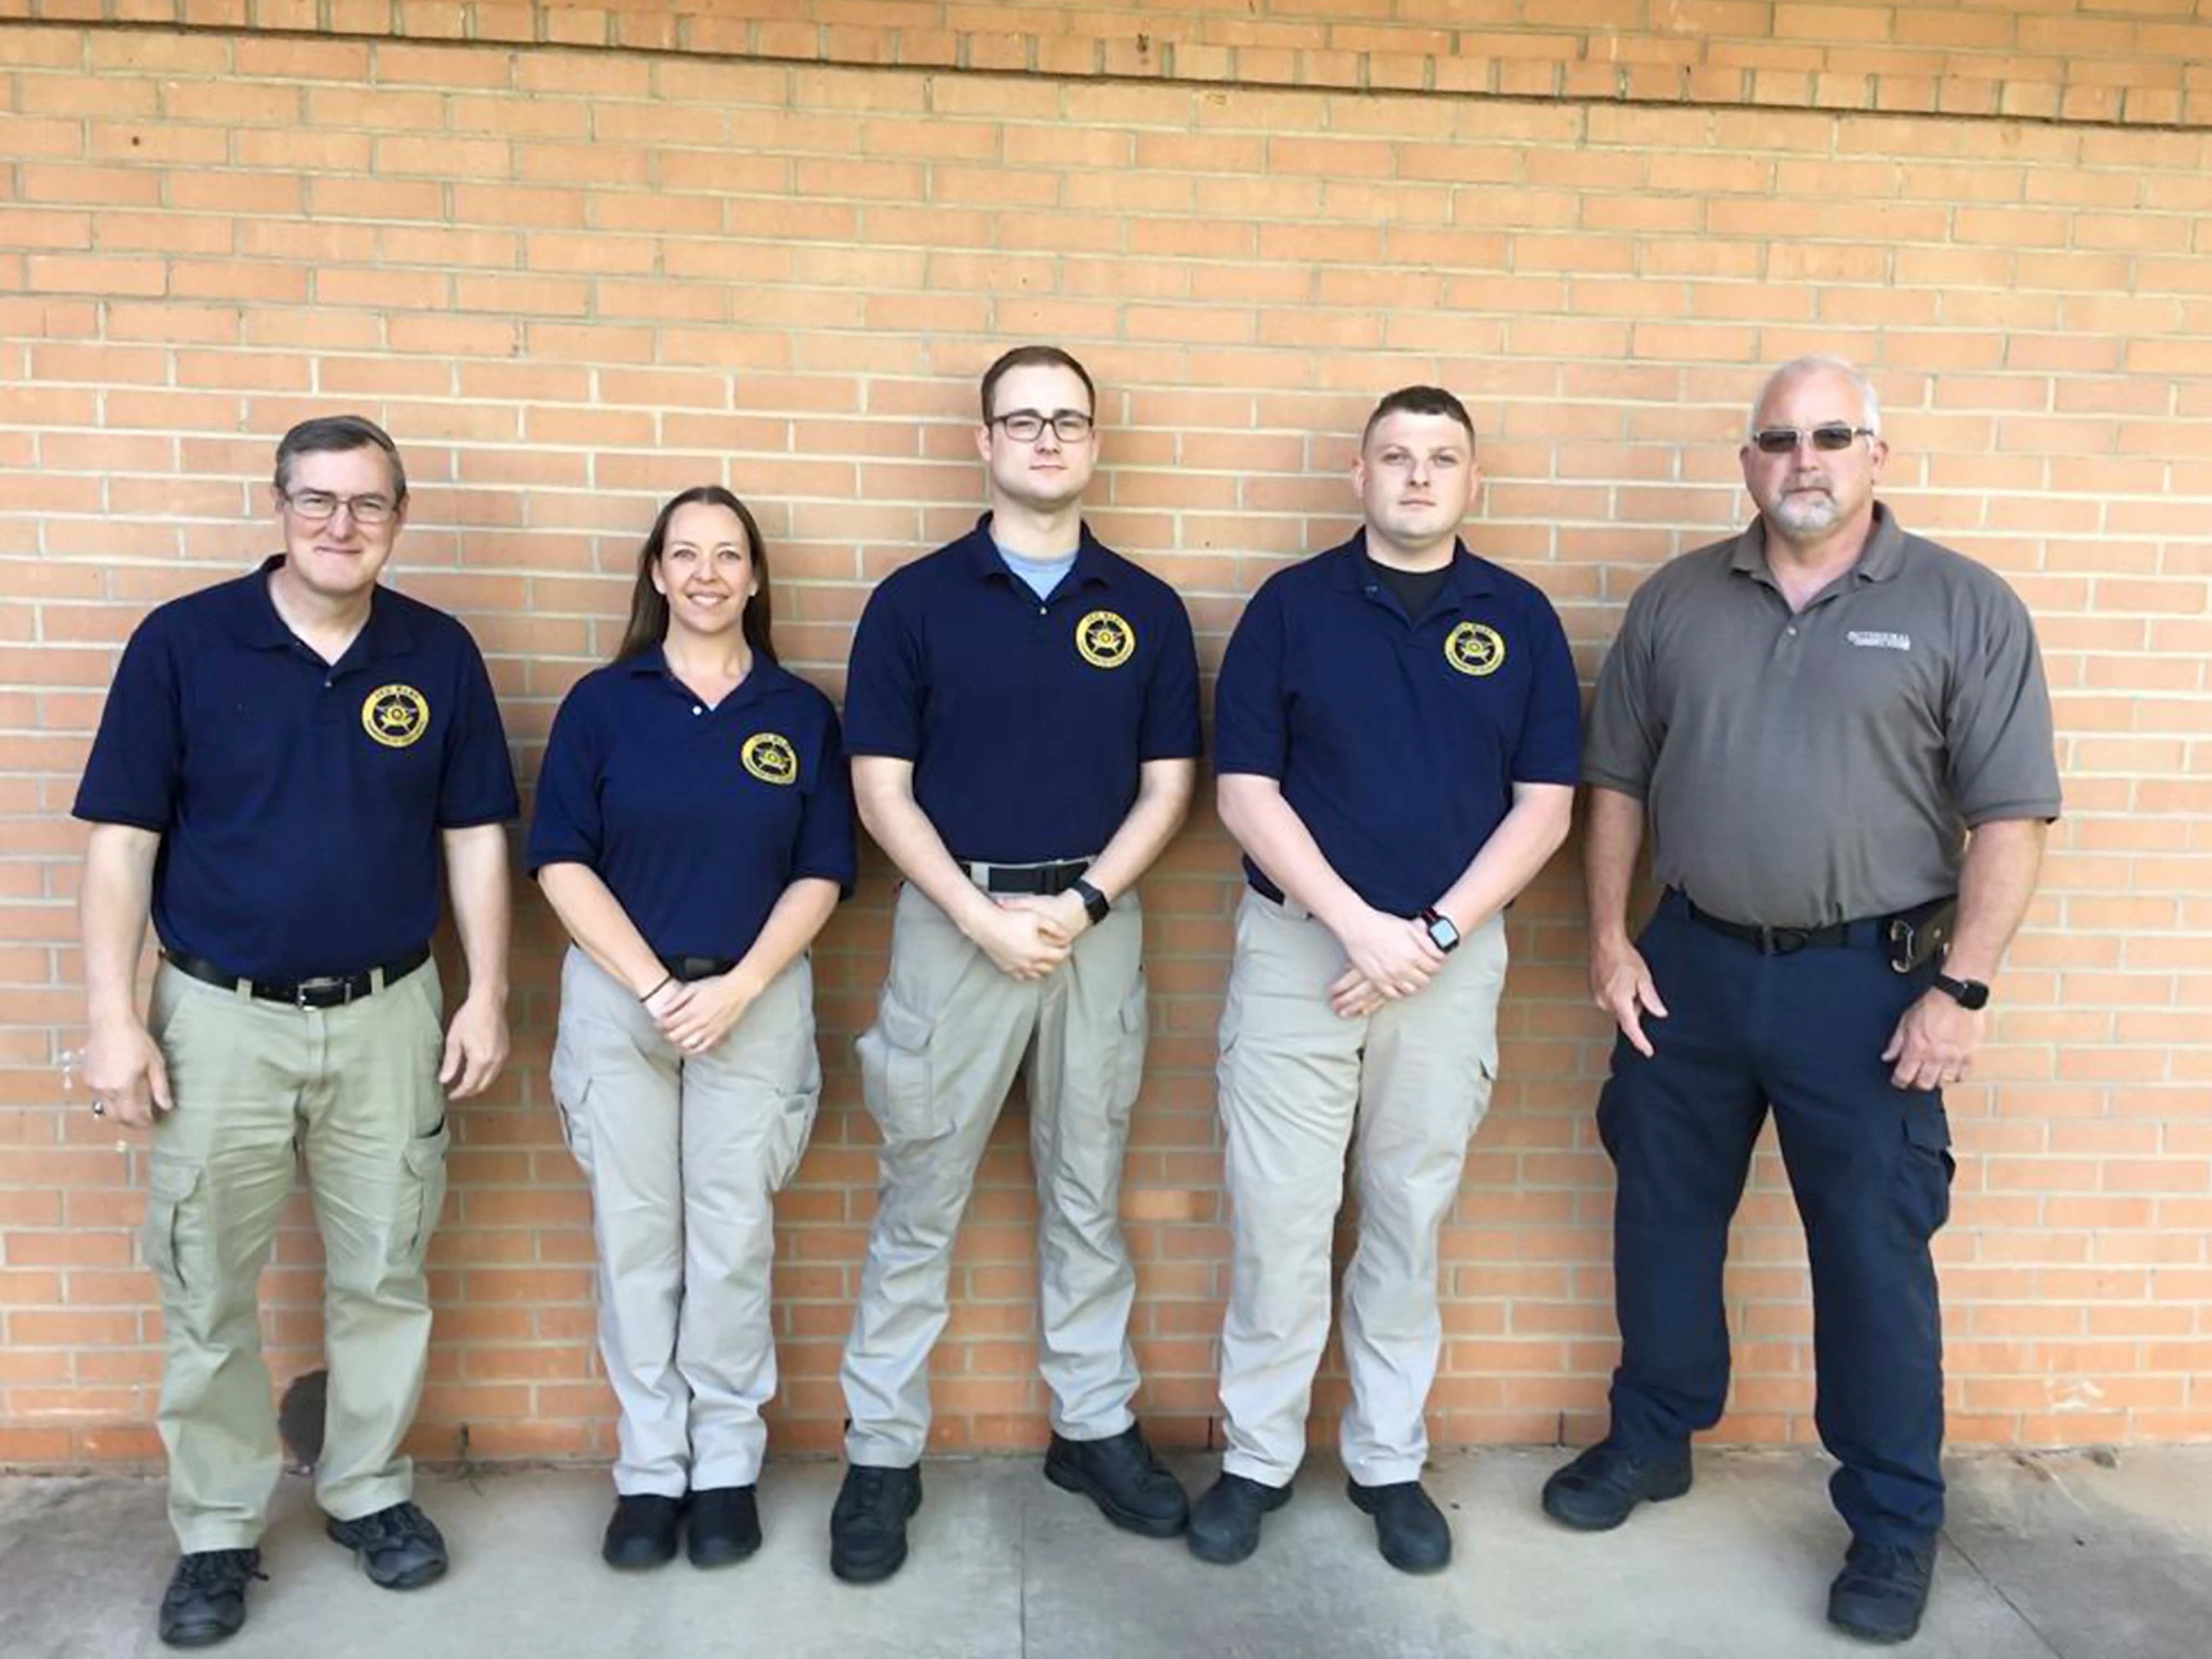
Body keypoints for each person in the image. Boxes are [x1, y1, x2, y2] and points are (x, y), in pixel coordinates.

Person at [1542, 356, 2061, 1645]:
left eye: (1833, 435)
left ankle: (1892, 1521)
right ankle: (1654, 1438)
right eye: (1778, 438)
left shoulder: (1962, 606)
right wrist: (1611, 939)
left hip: (1872, 985)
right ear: (1748, 460)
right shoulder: (1678, 601)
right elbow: (1614, 785)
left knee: (1873, 1255)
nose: (1804, 458)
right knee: (1660, 1222)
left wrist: (1963, 991)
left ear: (1878, 452)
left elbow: (2011, 816)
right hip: (1694, 966)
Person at [74, 415, 519, 1648]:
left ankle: (367, 1490)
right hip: (219, 1017)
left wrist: (485, 991)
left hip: (390, 1011)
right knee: (207, 1279)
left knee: (386, 1267)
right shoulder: (185, 643)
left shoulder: (437, 650)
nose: (341, 524)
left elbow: (475, 831)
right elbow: (123, 839)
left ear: (399, 516)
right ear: (277, 506)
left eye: (368, 504)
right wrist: (114, 1016)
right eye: (317, 501)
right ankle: (217, 1525)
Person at [1187, 385, 1580, 1573]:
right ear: (1358, 476)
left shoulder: (1518, 617)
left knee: (1407, 1216)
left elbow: (1546, 806)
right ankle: (1257, 1455)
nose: (1418, 476)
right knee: (1281, 1219)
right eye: (1396, 456)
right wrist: (1360, 926)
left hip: (1448, 965)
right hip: (1305, 951)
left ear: (1474, 482)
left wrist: (1435, 936)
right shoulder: (1292, 608)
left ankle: (1386, 1459)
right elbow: (1243, 790)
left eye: (1442, 457)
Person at [829, 345, 1203, 1583]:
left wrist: (1088, 899)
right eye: (1021, 420)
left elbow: (1170, 786)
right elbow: (880, 791)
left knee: (1087, 1187)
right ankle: (881, 1455)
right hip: (956, 924)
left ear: (1095, 443)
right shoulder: (917, 601)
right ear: (984, 442)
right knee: (919, 1193)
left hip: (1098, 924)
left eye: (1067, 420)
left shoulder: (1143, 606)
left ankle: (1092, 1427)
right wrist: (983, 915)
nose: (1045, 439)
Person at [529, 485, 855, 1572]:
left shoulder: (798, 711)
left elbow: (822, 871)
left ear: (756, 578)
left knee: (731, 1240)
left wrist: (741, 984)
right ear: (657, 574)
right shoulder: (601, 703)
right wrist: (655, 985)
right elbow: (562, 860)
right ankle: (650, 1466)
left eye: (730, 554)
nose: (708, 572)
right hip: (624, 1005)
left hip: (753, 1002)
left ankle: (724, 1461)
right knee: (637, 1241)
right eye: (686, 554)